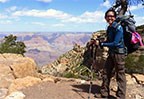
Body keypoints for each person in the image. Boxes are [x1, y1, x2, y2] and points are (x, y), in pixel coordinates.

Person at [95, 9, 127, 99]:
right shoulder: (109, 28)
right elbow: (109, 40)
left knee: (120, 75)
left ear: (115, 17)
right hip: (112, 53)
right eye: (108, 16)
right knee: (106, 72)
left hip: (119, 54)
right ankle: (104, 93)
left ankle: (121, 96)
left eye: (112, 16)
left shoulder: (119, 28)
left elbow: (115, 43)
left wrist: (102, 44)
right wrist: (100, 41)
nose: (110, 18)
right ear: (105, 18)